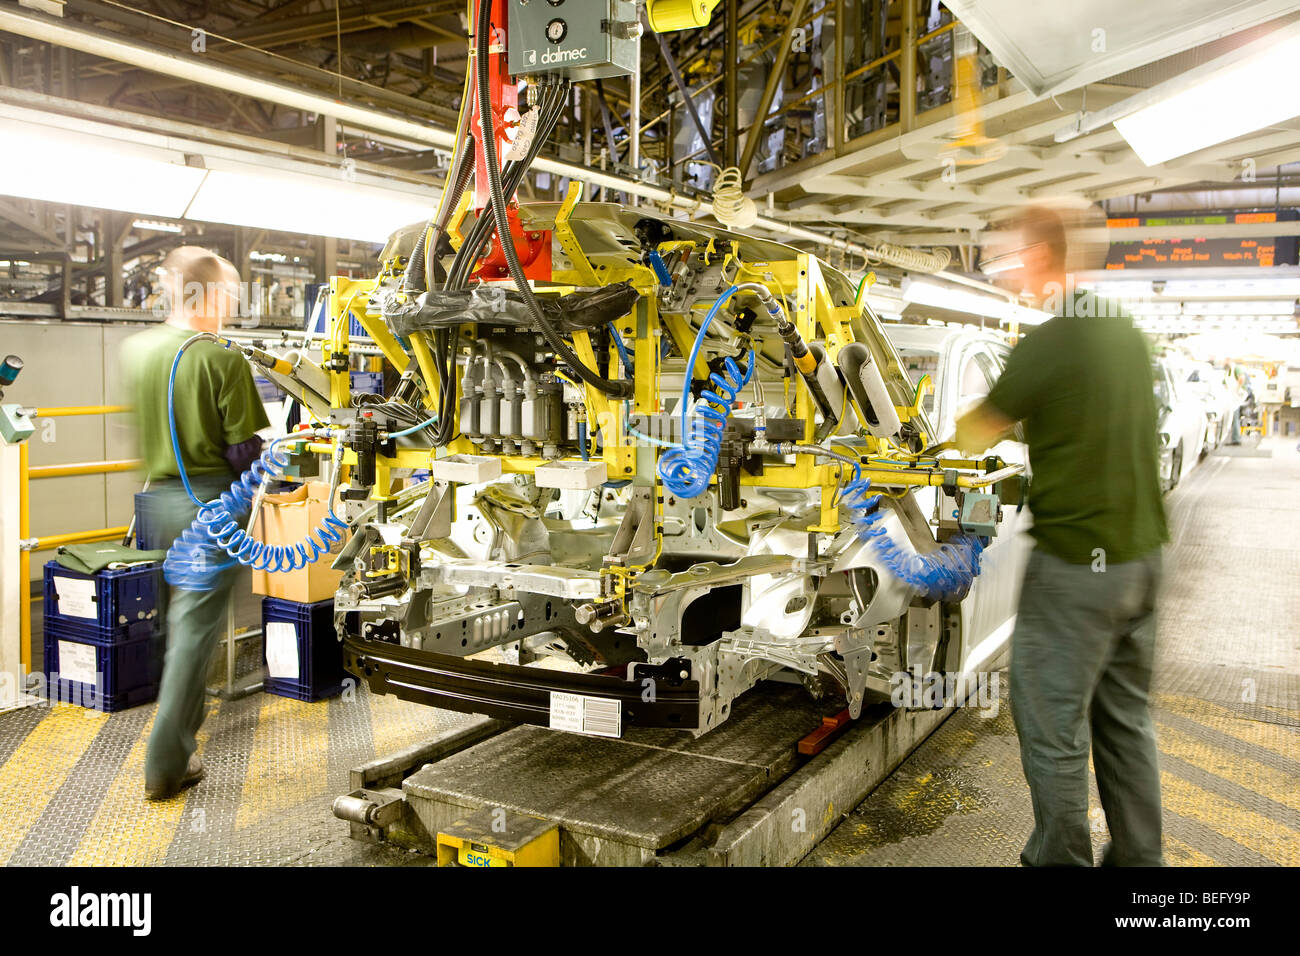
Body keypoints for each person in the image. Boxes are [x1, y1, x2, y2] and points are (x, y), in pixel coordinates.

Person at [955, 207, 1168, 867]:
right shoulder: (1126, 334)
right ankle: (1140, 862)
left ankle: (1059, 861)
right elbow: (1089, 418)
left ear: (1044, 257)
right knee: (1125, 721)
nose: (1005, 269)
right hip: (1142, 560)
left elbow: (972, 433)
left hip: (1078, 565)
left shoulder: (1052, 341)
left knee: (1051, 724)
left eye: (1009, 257)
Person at [121, 247, 270, 801]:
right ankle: (166, 763)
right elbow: (244, 451)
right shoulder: (219, 356)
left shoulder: (138, 351)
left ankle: (170, 741)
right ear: (204, 294)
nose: (231, 307)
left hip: (156, 501)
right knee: (193, 636)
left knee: (170, 627)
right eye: (228, 295)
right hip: (208, 507)